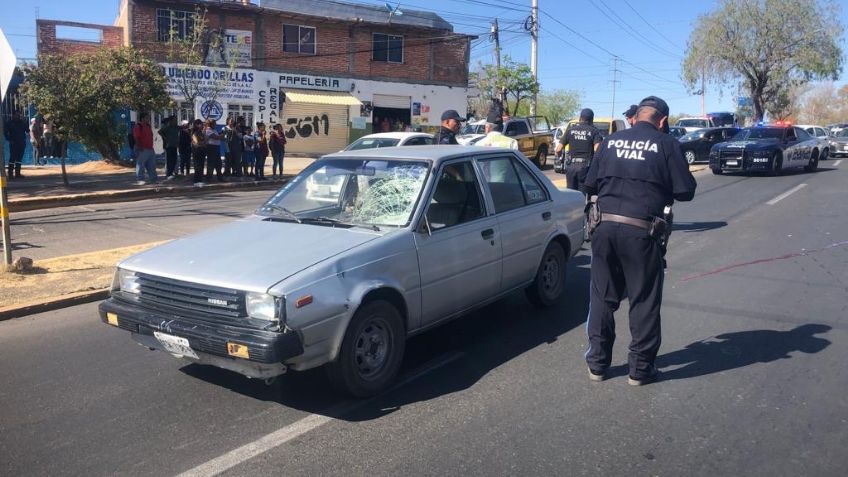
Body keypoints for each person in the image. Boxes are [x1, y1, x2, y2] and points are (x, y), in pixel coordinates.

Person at [580, 96, 697, 386]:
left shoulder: (610, 142)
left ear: (637, 117)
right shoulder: (667, 144)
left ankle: (597, 365)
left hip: (603, 229)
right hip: (642, 233)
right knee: (643, 300)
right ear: (662, 121)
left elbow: (589, 184)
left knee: (602, 298)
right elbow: (685, 191)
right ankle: (640, 370)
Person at [555, 108, 602, 191]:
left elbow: (558, 149)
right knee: (582, 195)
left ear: (580, 118)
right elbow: (597, 150)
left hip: (571, 167)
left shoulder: (570, 131)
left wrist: (560, 159)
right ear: (592, 119)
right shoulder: (594, 132)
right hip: (585, 167)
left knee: (571, 194)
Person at [132, 113, 157, 185]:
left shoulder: (148, 126)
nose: (148, 119)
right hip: (142, 148)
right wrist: (139, 146)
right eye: (147, 117)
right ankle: (140, 179)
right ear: (142, 118)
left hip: (150, 148)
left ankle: (153, 179)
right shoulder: (138, 126)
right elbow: (136, 137)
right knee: (140, 165)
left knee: (152, 165)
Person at [4, 111, 28, 178]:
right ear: (13, 115)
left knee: (19, 159)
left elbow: (27, 130)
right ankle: (10, 174)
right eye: (17, 115)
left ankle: (18, 173)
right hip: (14, 143)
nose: (18, 116)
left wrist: (24, 121)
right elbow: (5, 133)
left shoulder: (22, 122)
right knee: (12, 158)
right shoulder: (10, 123)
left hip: (21, 143)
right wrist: (9, 140)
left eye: (19, 115)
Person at [190, 119, 207, 185]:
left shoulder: (201, 133)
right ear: (197, 125)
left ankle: (200, 180)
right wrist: (202, 143)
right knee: (197, 166)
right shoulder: (195, 133)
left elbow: (206, 141)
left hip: (202, 151)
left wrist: (203, 142)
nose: (202, 125)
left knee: (202, 166)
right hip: (197, 151)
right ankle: (196, 181)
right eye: (201, 124)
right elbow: (196, 143)